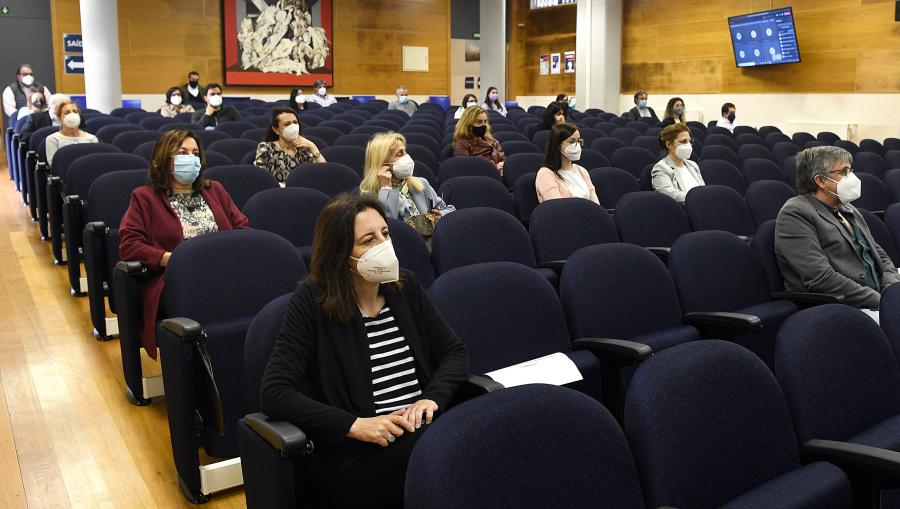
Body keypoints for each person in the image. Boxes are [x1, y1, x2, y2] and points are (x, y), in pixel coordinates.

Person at [260, 192, 470, 507]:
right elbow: (275, 392)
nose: (383, 246)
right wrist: (353, 425)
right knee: (455, 467)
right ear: (341, 253)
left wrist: (431, 397)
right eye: (368, 240)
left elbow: (455, 352)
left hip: (424, 432)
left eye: (385, 234)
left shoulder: (405, 285)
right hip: (360, 453)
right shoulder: (311, 301)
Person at [119, 130, 249, 358]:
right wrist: (173, 259)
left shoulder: (214, 189)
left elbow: (243, 228)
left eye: (195, 153)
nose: (191, 158)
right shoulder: (144, 197)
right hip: (177, 278)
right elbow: (130, 245)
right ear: (163, 159)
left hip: (225, 270)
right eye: (182, 152)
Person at [775, 146, 900, 310]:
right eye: (844, 172)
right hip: (842, 308)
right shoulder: (795, 213)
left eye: (851, 170)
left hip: (879, 301)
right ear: (820, 180)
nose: (852, 177)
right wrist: (883, 302)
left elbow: (880, 256)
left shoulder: (848, 208)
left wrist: (892, 292)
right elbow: (820, 278)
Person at [360, 132, 454, 237]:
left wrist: (440, 215)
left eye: (405, 152)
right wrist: (386, 188)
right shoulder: (368, 197)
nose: (407, 157)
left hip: (431, 242)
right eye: (399, 154)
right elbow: (389, 228)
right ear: (383, 163)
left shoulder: (421, 183)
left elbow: (449, 209)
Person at [252, 107, 326, 183]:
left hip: (304, 191)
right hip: (278, 192)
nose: (293, 127)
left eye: (295, 122)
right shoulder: (266, 148)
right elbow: (260, 178)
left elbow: (324, 172)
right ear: (276, 130)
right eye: (287, 124)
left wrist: (313, 147)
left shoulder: (304, 147)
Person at [535, 123, 598, 204]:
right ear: (558, 145)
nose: (577, 145)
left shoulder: (582, 171)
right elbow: (557, 208)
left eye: (578, 141)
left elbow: (596, 204)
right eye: (572, 141)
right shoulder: (546, 174)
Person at [650, 123, 704, 203]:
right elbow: (669, 194)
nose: (688, 145)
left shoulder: (693, 165)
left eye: (689, 141)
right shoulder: (661, 168)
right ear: (669, 144)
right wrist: (698, 198)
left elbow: (703, 189)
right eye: (683, 141)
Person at [44, 99, 98, 167]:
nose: (72, 115)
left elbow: (95, 163)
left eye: (75, 112)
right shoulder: (53, 139)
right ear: (59, 118)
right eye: (67, 112)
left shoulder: (92, 138)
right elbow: (54, 166)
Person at [453, 106, 505, 175]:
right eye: (479, 122)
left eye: (485, 121)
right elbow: (467, 169)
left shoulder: (491, 140)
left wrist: (503, 164)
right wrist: (495, 167)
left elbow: (502, 158)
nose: (483, 125)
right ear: (468, 123)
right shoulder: (461, 144)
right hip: (482, 179)